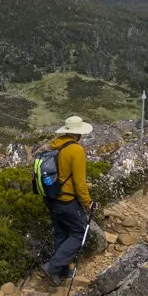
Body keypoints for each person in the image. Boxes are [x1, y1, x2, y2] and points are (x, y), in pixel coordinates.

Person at [38, 115, 94, 286]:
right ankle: (52, 266)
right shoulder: (75, 150)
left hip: (50, 198)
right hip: (66, 200)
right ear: (78, 133)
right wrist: (88, 202)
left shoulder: (53, 146)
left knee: (61, 233)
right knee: (79, 233)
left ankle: (60, 273)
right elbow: (79, 182)